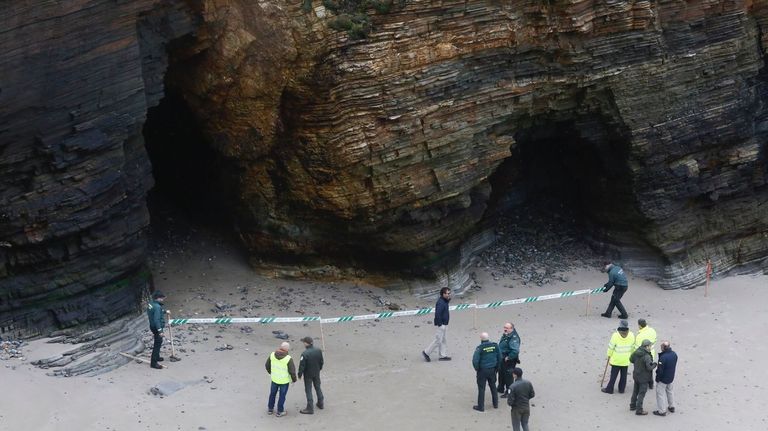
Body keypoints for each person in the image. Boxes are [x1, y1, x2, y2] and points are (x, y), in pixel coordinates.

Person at [602, 320, 635, 394]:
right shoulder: (631, 335)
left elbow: (611, 347)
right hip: (626, 359)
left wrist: (609, 355)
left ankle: (610, 389)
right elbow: (633, 347)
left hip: (616, 359)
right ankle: (621, 389)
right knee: (624, 375)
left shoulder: (615, 335)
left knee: (613, 375)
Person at [265, 341, 298, 417]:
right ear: (287, 350)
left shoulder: (272, 355)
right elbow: (292, 371)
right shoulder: (288, 359)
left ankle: (270, 409)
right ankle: (280, 411)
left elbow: (267, 365)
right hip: (284, 381)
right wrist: (294, 380)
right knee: (282, 396)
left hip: (274, 379)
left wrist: (271, 372)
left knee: (272, 394)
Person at [472, 332, 502, 412]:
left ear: (481, 339)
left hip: (482, 370)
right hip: (492, 370)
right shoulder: (495, 346)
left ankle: (481, 407)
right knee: (493, 386)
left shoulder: (480, 348)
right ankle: (495, 404)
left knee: (481, 388)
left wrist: (477, 369)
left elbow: (475, 360)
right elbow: (500, 357)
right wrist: (497, 368)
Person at [422, 287, 451, 362]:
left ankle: (443, 355)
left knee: (444, 340)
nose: (449, 295)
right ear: (443, 294)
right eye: (447, 293)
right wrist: (440, 324)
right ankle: (426, 352)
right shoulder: (440, 302)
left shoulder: (444, 301)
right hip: (441, 325)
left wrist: (447, 300)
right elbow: (437, 314)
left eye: (449, 293)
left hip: (445, 324)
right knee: (438, 340)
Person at [629, 339, 657, 415]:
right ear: (646, 346)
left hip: (636, 375)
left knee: (635, 391)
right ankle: (639, 410)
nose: (650, 347)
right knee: (642, 393)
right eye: (650, 346)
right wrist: (654, 364)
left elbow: (631, 359)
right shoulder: (647, 356)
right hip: (644, 378)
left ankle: (632, 405)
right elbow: (649, 368)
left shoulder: (636, 352)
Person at [298, 336, 324, 414]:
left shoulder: (304, 353)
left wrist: (300, 374)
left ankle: (310, 407)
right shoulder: (318, 350)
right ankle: (321, 403)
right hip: (316, 372)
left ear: (306, 343)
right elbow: (321, 361)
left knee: (308, 389)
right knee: (318, 387)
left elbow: (302, 366)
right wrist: (319, 369)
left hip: (308, 374)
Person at [653, 341, 678, 416]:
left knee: (660, 394)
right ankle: (672, 406)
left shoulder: (663, 358)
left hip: (663, 379)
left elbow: (660, 371)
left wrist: (657, 378)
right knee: (670, 391)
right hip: (671, 377)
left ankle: (662, 411)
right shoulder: (674, 354)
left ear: (663, 347)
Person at [497, 322, 521, 397]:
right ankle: (500, 387)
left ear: (512, 328)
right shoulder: (507, 334)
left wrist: (509, 357)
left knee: (508, 376)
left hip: (509, 360)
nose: (505, 329)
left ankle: (509, 391)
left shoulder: (514, 338)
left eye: (507, 328)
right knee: (501, 373)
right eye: (504, 327)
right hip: (503, 358)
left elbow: (515, 351)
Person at [146, 291, 168, 370]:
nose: (162, 300)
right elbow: (157, 319)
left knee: (159, 341)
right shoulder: (157, 307)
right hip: (157, 327)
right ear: (158, 298)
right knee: (157, 344)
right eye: (162, 298)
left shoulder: (151, 303)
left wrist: (164, 311)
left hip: (152, 326)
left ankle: (157, 357)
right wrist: (160, 331)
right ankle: (154, 363)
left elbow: (154, 312)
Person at [635, 318, 658, 388]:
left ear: (640, 326)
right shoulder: (652, 330)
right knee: (649, 369)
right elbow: (655, 340)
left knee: (641, 371)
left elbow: (637, 348)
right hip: (651, 354)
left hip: (642, 357)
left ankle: (641, 383)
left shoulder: (640, 336)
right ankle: (651, 384)